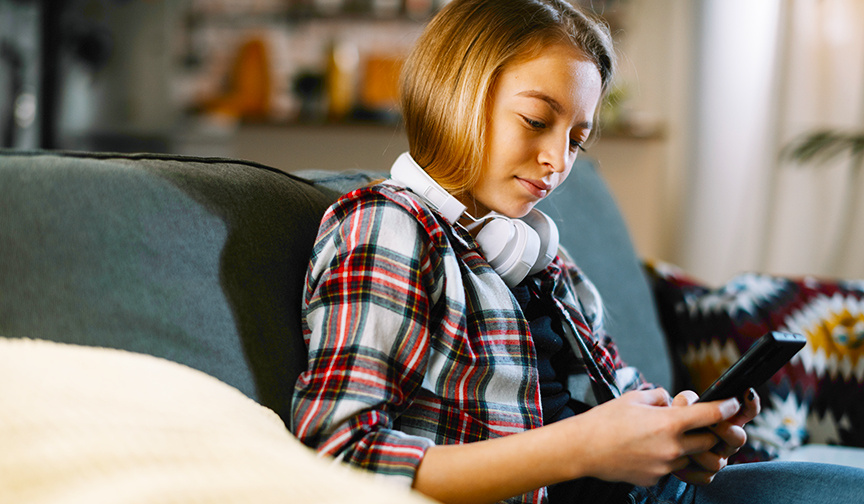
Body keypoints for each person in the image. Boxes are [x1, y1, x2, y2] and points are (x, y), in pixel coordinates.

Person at [291, 1, 864, 503]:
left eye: (575, 139)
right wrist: (580, 449)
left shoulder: (543, 258)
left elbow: (621, 392)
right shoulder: (390, 227)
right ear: (455, 96)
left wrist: (676, 431)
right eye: (537, 121)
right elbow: (341, 453)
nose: (558, 161)